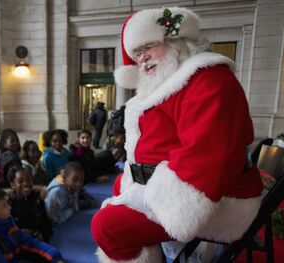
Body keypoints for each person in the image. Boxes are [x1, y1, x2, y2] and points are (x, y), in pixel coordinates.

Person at [91, 8, 264, 262]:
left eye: (149, 46)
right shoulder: (172, 79)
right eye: (137, 53)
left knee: (107, 227)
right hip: (170, 184)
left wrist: (164, 203)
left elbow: (208, 156)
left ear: (176, 41)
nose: (143, 59)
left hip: (215, 199)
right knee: (119, 187)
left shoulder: (208, 78)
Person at [0, 187, 64, 263]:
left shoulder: (4, 221)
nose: (10, 207)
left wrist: (55, 256)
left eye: (7, 203)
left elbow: (28, 242)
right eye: (4, 206)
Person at [8, 166, 53, 242]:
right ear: (12, 185)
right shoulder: (8, 203)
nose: (25, 184)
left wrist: (42, 235)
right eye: (20, 181)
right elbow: (4, 231)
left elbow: (46, 222)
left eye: (28, 180)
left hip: (37, 242)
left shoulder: (38, 198)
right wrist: (18, 233)